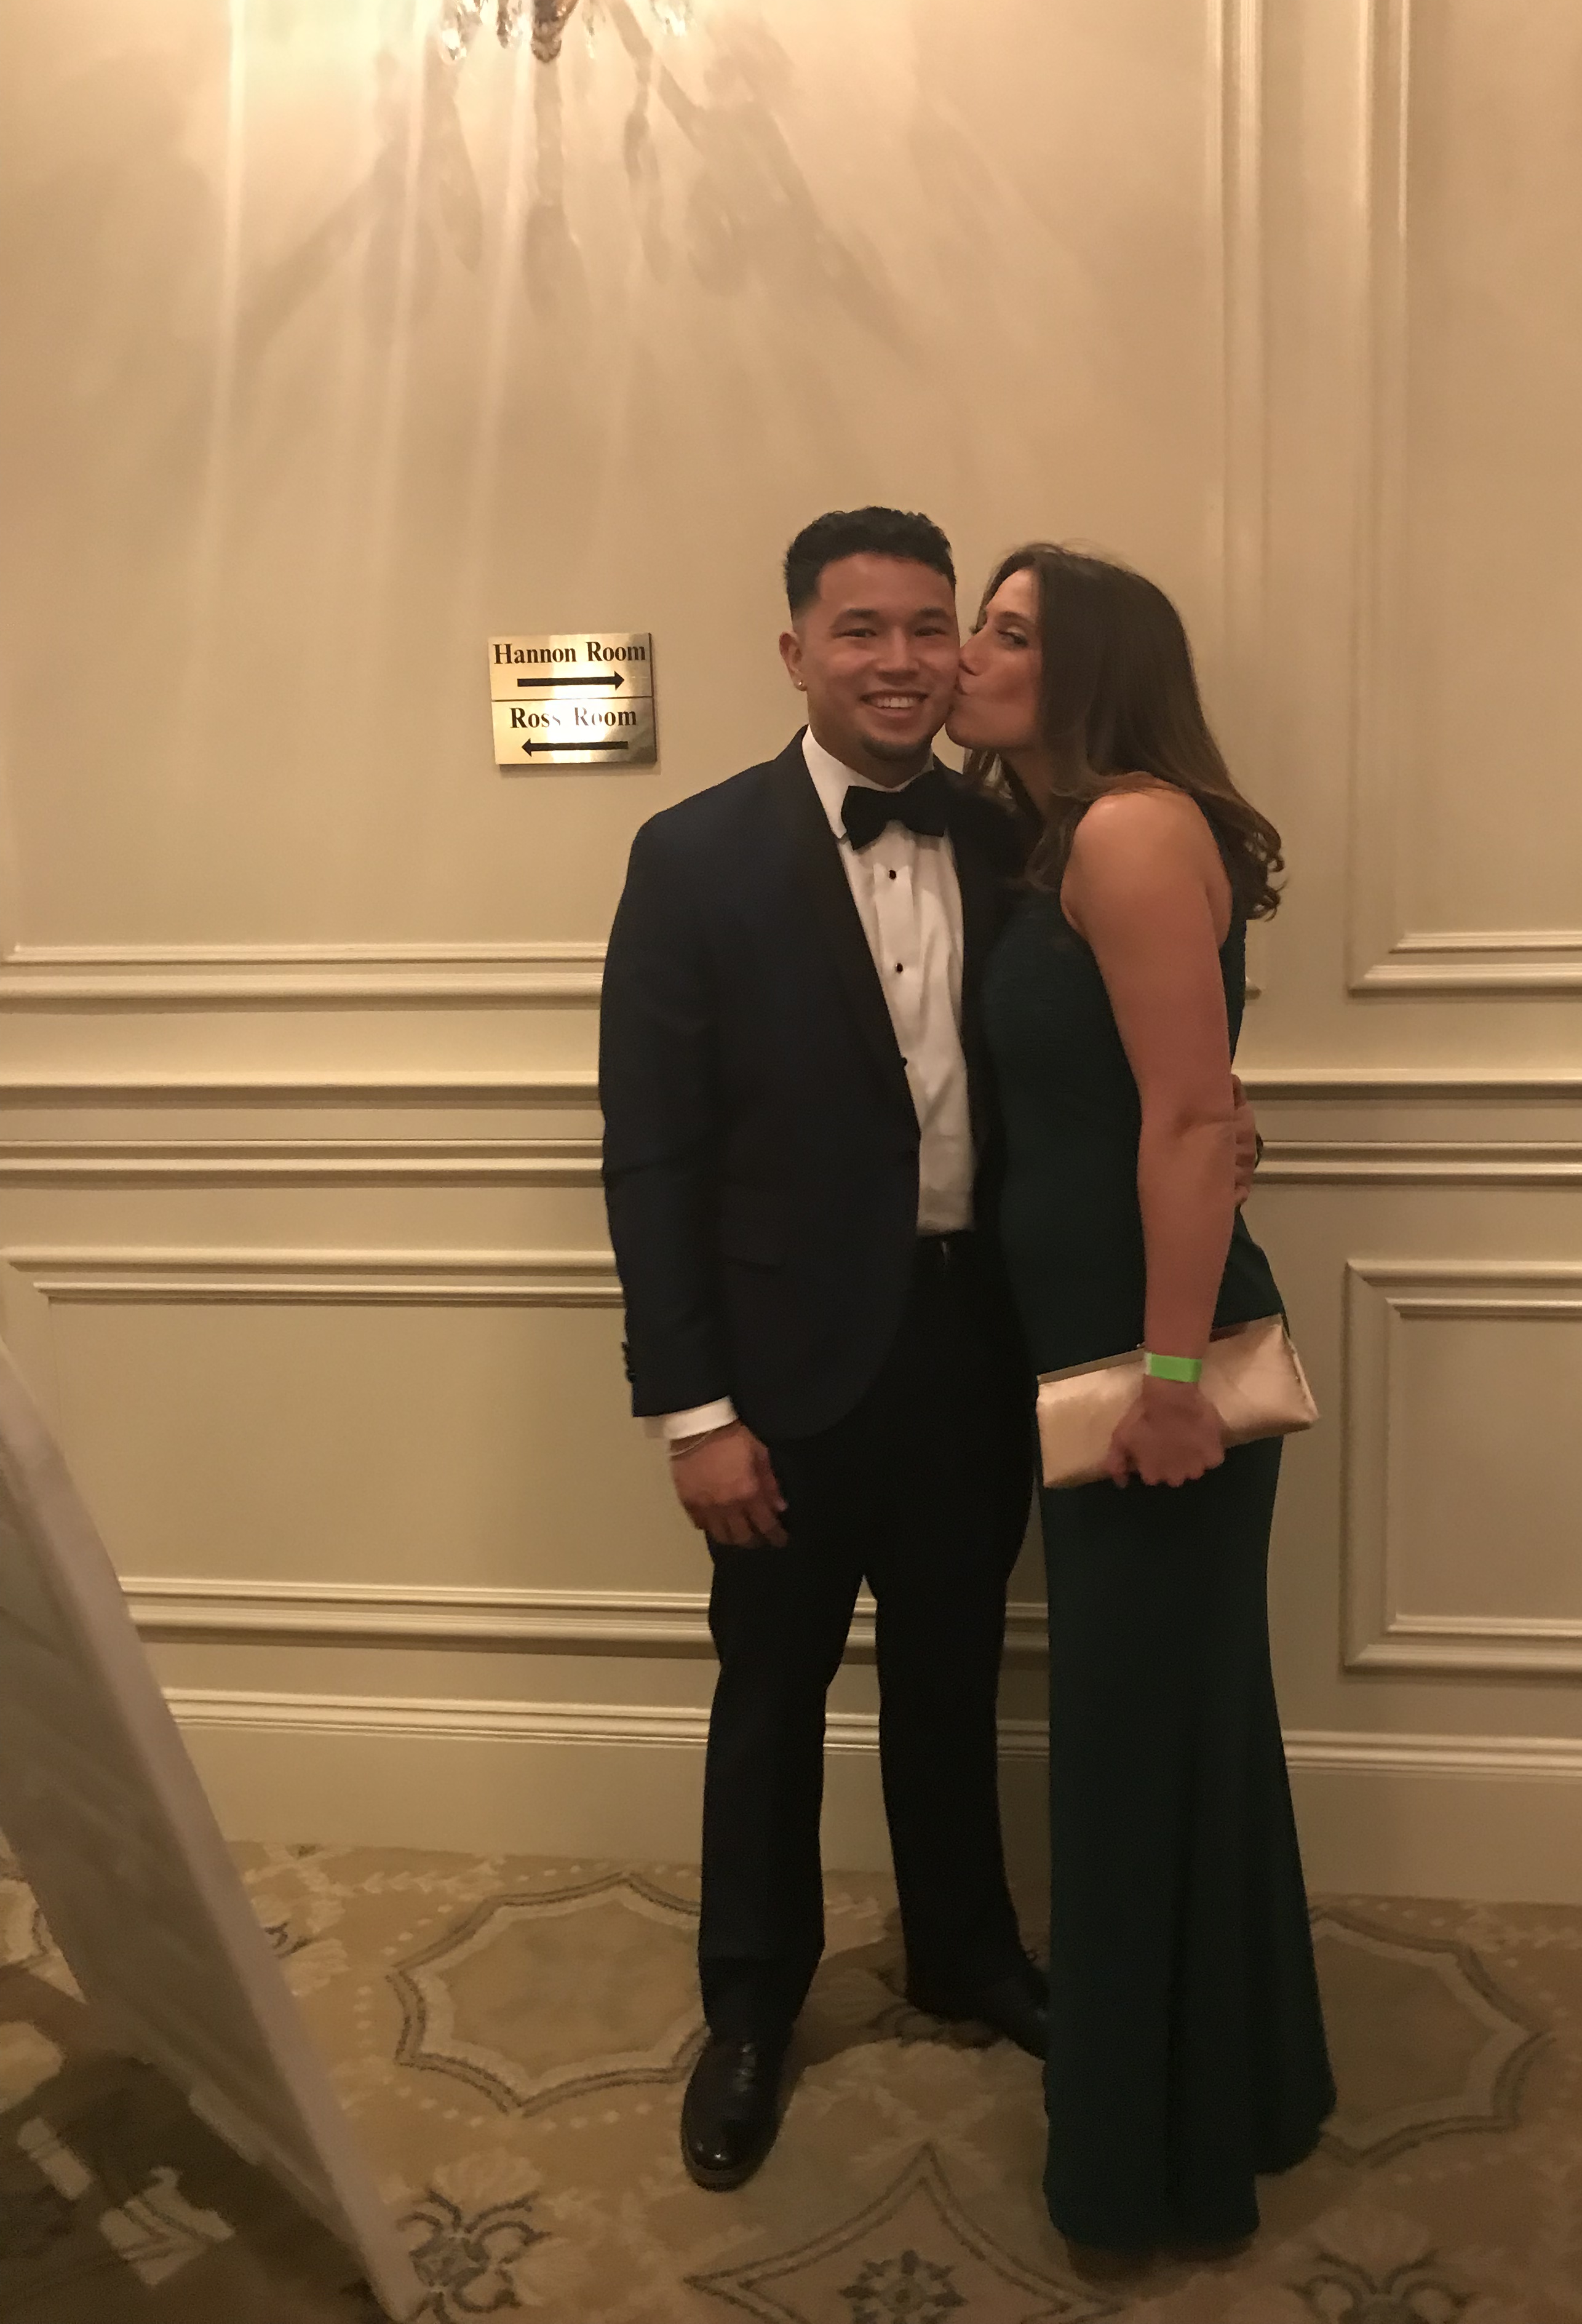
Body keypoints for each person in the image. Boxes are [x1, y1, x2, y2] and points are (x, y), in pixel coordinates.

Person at [598, 508, 1050, 2194]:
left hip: (974, 1346)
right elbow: (653, 1154)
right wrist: (694, 1411)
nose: (902, 660)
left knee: (952, 1675)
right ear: (795, 651)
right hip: (780, 1375)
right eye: (862, 629)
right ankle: (750, 2006)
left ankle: (965, 1951)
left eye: (931, 626)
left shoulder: (1017, 844)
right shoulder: (691, 855)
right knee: (771, 1693)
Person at [946, 543, 1334, 2252]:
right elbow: (1169, 1100)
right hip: (1095, 1347)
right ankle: (1237, 2096)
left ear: (1092, 666)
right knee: (1180, 1737)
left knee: (1131, 1754)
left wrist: (1173, 1382)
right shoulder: (1060, 838)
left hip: (1151, 1369)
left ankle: (1147, 2168)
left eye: (1009, 633)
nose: (972, 654)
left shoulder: (1129, 828)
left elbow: (1186, 1118)